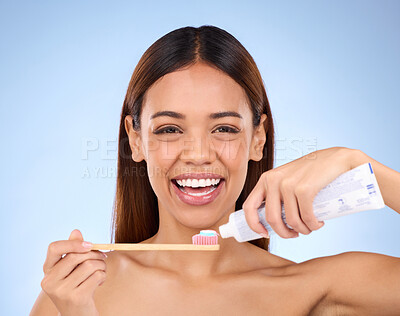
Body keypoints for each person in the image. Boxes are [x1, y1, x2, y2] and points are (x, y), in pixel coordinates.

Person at [30, 25, 400, 316]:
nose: (198, 155)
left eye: (223, 128)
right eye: (169, 129)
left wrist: (362, 168)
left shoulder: (312, 288)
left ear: (258, 138)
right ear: (135, 140)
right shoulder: (73, 296)